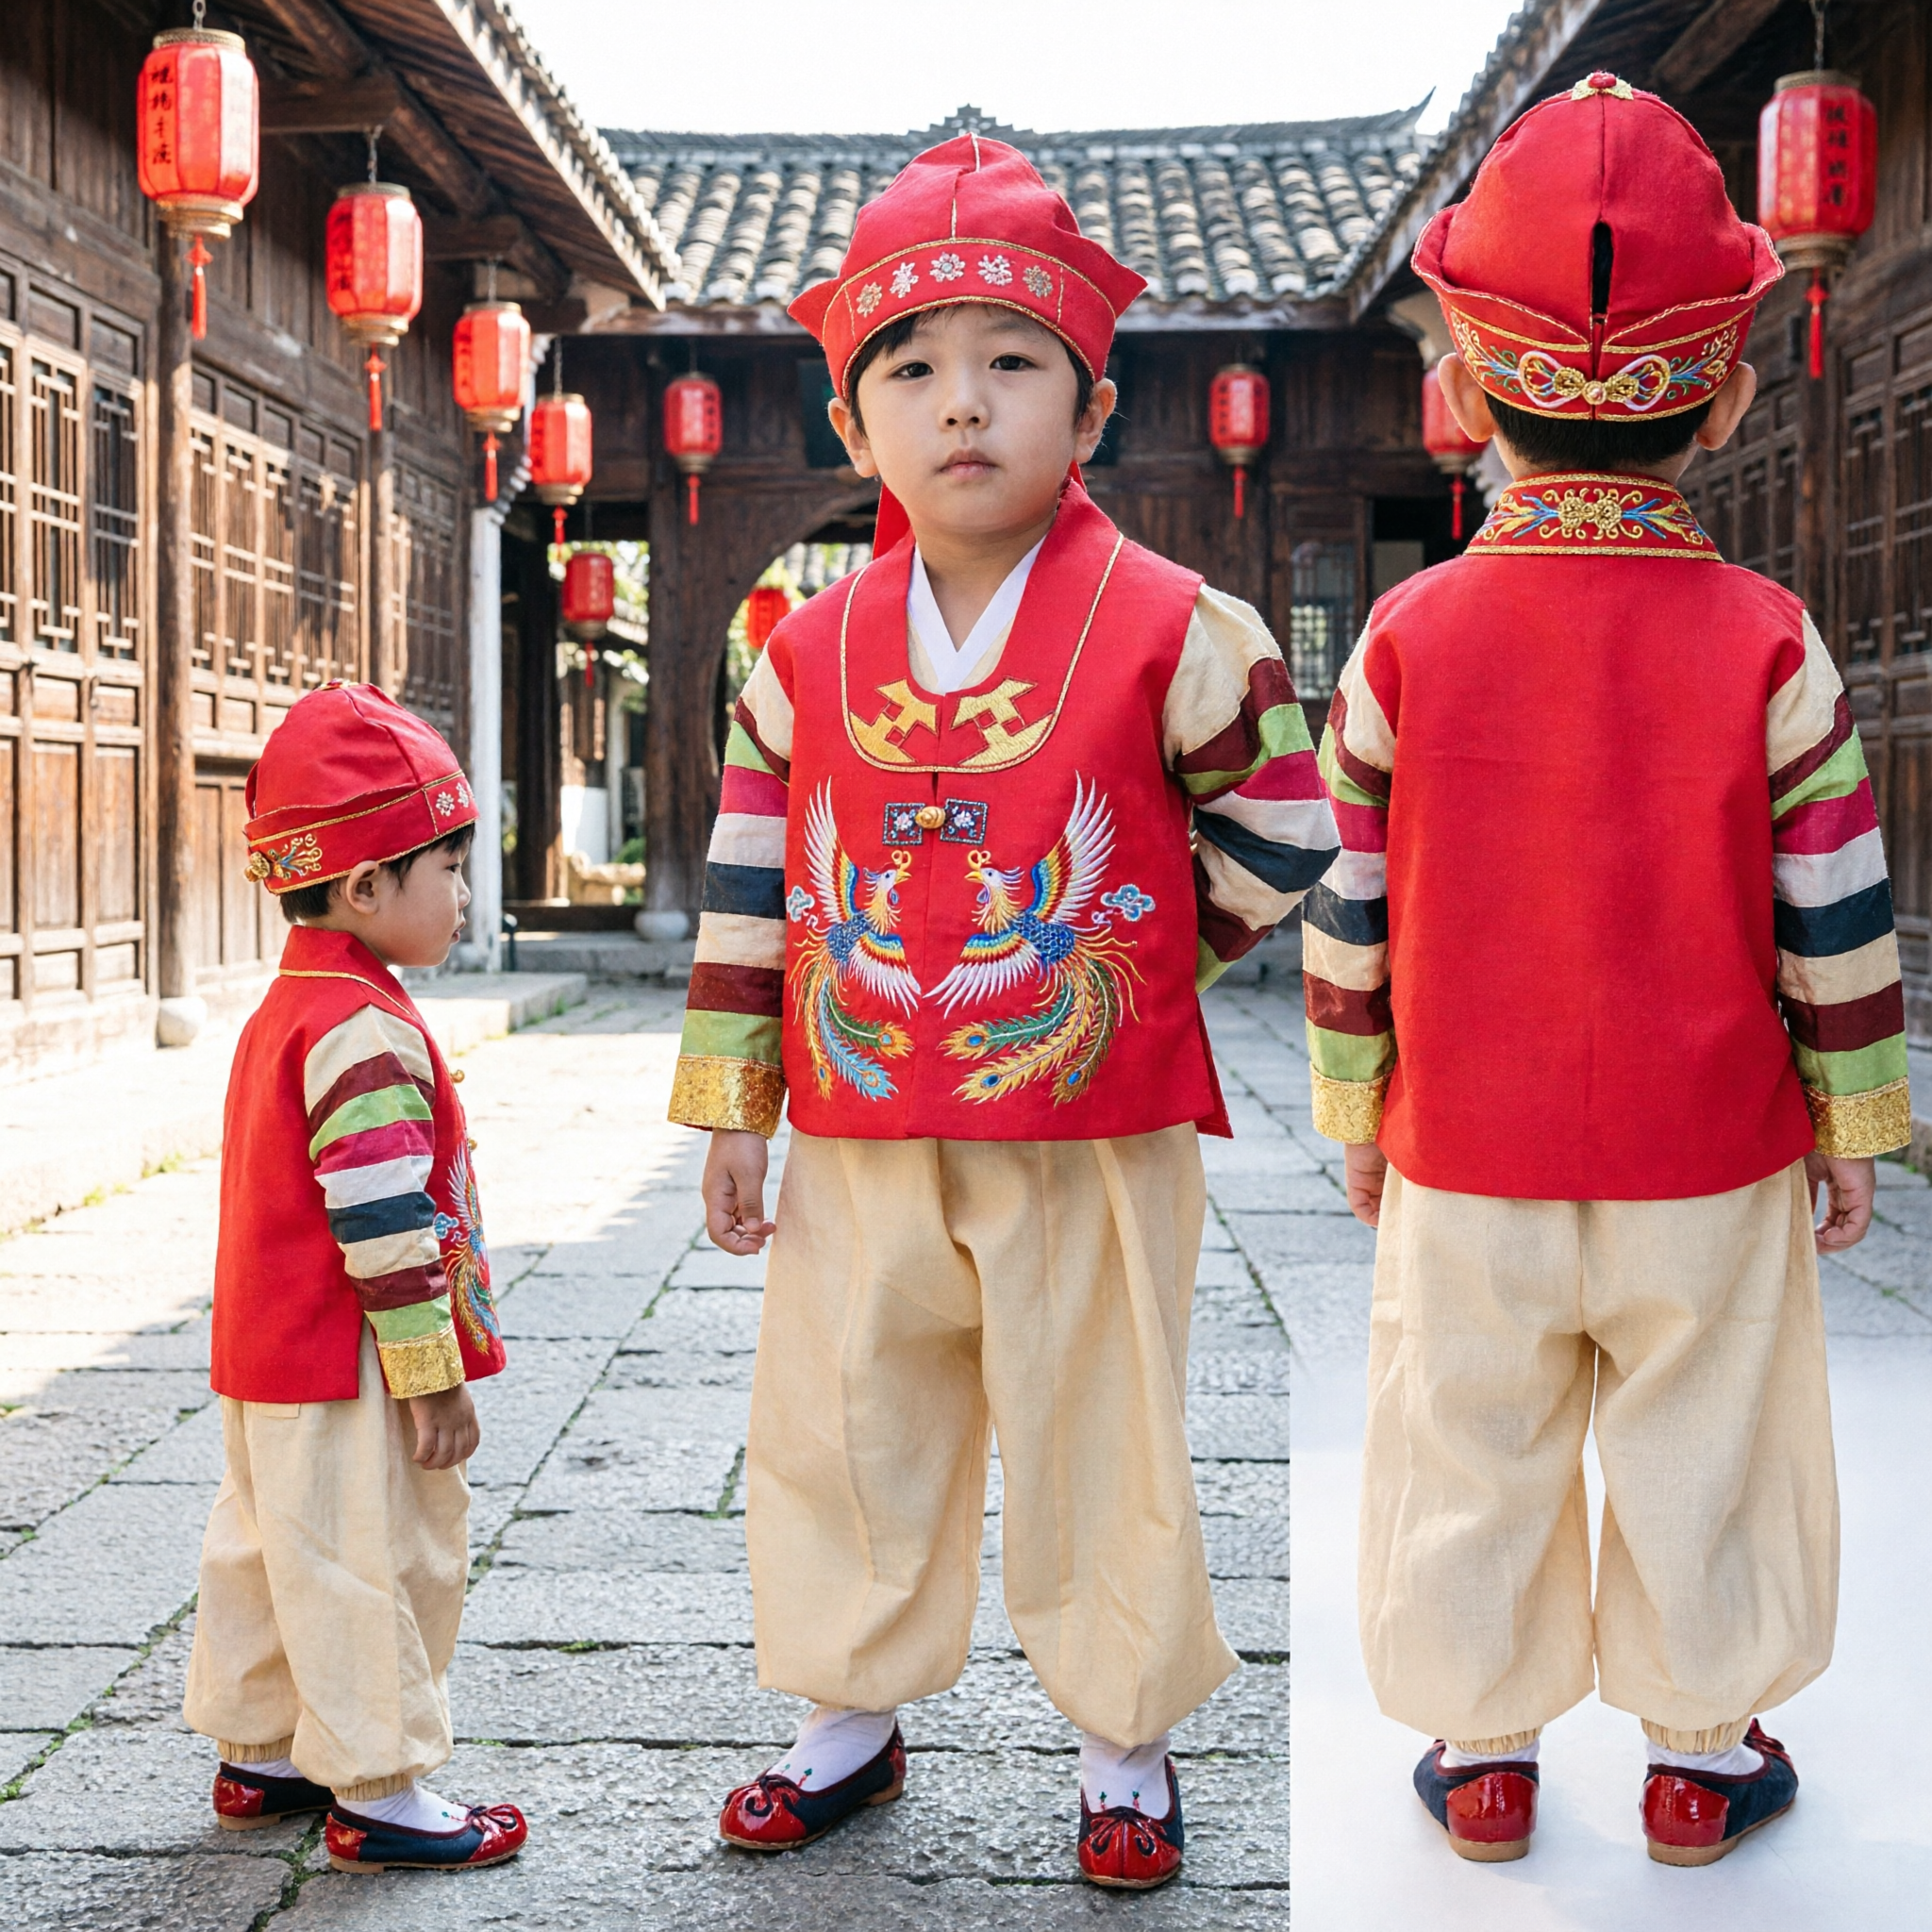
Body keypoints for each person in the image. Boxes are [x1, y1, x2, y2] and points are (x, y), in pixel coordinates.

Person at [668, 133, 1339, 1890]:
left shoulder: (1176, 623)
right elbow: (752, 884)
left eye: (1011, 362)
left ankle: (1125, 1739)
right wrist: (735, 1103)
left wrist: (1127, 968)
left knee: (1095, 1420)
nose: (961, 402)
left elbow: (1286, 826)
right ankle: (847, 1713)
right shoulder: (798, 653)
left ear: (1091, 406)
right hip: (856, 1117)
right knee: (847, 1414)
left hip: (1086, 1125)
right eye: (909, 369)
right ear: (851, 427)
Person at [1305, 74, 1908, 1867]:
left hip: (1466, 1146)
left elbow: (1349, 910)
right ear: (1722, 399)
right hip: (1705, 1148)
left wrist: (1356, 1106)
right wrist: (1852, 1120)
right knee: (1704, 1438)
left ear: (1467, 391)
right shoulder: (1770, 640)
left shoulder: (1402, 639)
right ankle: (1697, 1763)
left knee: (1463, 1438)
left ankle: (1485, 1755)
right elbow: (1834, 911)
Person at [181, 681, 527, 1876]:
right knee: (369, 1557)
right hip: (349, 1358)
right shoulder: (362, 1028)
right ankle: (382, 1791)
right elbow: (381, 1225)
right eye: (451, 868)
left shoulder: (295, 1001)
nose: (464, 893)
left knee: (273, 1544)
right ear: (368, 884)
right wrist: (430, 1375)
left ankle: (266, 1749)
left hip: (267, 1353)